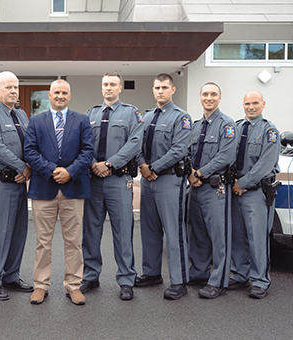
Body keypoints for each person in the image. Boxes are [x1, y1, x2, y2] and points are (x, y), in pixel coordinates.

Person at [24, 79, 94, 305]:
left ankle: (74, 285)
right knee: (43, 242)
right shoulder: (35, 121)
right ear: (49, 95)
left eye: (64, 92)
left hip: (73, 189)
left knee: (73, 241)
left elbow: (88, 151)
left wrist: (70, 172)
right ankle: (40, 286)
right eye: (56, 92)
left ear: (70, 96)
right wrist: (53, 170)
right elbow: (30, 151)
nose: (60, 96)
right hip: (44, 187)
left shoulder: (82, 120)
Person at [81, 72, 144, 301]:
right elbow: (83, 143)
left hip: (119, 180)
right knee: (91, 231)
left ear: (120, 88)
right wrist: (93, 165)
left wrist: (110, 164)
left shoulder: (131, 113)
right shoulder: (91, 113)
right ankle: (90, 275)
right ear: (102, 88)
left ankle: (126, 279)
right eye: (105, 84)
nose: (108, 88)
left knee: (123, 231)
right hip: (93, 181)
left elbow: (135, 143)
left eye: (113, 85)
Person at [135, 73, 191, 300]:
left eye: (164, 87)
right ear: (153, 90)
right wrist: (141, 164)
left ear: (173, 90)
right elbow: (135, 143)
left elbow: (179, 149)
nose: (160, 91)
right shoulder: (145, 117)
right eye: (157, 88)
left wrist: (153, 167)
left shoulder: (181, 117)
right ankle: (151, 272)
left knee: (174, 231)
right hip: (148, 181)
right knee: (148, 229)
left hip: (169, 180)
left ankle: (179, 281)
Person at [0, 71, 33, 300]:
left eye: (16, 87)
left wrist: (29, 165)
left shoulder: (21, 114)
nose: (13, 91)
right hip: (1, 183)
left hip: (21, 182)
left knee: (19, 231)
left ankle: (11, 275)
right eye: (8, 87)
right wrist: (23, 166)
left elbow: (32, 142)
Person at [187, 82, 236, 299]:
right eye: (205, 94)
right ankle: (198, 273)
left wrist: (199, 174)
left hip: (215, 189)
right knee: (197, 233)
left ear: (220, 98)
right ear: (200, 97)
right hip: (195, 188)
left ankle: (218, 282)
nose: (209, 98)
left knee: (219, 236)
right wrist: (190, 173)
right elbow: (187, 152)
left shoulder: (227, 125)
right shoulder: (196, 126)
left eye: (213, 94)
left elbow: (225, 157)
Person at [229, 91, 280, 299]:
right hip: (235, 189)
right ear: (243, 105)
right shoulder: (237, 127)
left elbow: (265, 164)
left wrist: (243, 183)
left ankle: (260, 281)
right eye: (247, 103)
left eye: (255, 103)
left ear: (263, 104)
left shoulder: (270, 131)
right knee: (237, 236)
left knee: (257, 238)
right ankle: (240, 275)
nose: (251, 107)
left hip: (255, 191)